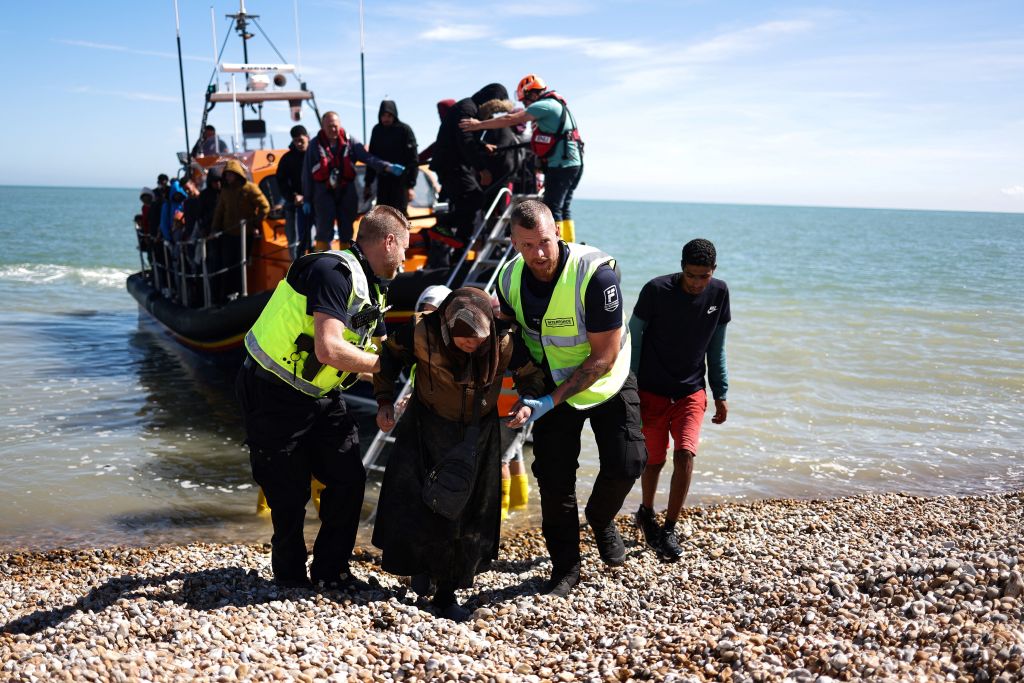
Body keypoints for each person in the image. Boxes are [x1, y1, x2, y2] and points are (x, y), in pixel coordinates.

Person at [237, 205, 410, 589]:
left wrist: (386, 399)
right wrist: (384, 365)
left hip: (322, 395)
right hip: (271, 391)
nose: (406, 258)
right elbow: (329, 350)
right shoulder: (332, 272)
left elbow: (381, 350)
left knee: (349, 478)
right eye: (404, 249)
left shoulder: (374, 287)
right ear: (389, 241)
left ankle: (333, 571)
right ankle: (290, 577)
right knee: (287, 494)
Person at [499, 200, 646, 597]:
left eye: (545, 242)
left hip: (606, 380)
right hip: (549, 384)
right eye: (527, 245)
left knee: (629, 462)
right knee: (554, 479)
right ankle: (566, 568)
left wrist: (551, 400)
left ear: (558, 233)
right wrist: (527, 388)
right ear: (513, 242)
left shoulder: (595, 276)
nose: (539, 254)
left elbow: (604, 356)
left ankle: (600, 518)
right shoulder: (508, 279)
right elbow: (510, 338)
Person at [371, 287, 544, 620]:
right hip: (425, 426)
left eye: (478, 341)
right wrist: (383, 401)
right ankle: (419, 567)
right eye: (463, 340)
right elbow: (388, 358)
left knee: (464, 513)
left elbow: (530, 377)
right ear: (447, 328)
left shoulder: (504, 341)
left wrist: (526, 403)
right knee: (416, 504)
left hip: (477, 433)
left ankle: (447, 592)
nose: (471, 346)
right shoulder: (422, 331)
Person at [631, 239, 730, 561]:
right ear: (681, 267)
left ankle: (670, 527)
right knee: (654, 460)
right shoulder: (655, 291)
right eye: (691, 275)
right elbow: (633, 338)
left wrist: (721, 392)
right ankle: (646, 512)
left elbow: (716, 349)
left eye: (703, 276)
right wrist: (628, 386)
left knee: (686, 454)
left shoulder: (719, 293)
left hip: (691, 391)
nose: (697, 283)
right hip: (651, 391)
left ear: (713, 272)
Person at [460, 74, 583, 242]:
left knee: (553, 207)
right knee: (564, 207)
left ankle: (559, 247)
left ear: (532, 94)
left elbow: (511, 119)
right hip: (573, 163)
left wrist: (478, 125)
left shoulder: (544, 105)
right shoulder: (557, 105)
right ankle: (569, 244)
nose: (525, 106)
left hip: (561, 164)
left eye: (525, 101)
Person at [428, 84, 509, 261]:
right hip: (451, 165)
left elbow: (464, 138)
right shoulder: (467, 109)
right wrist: (482, 169)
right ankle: (443, 226)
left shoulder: (467, 107)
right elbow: (465, 141)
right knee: (475, 198)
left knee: (468, 203)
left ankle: (460, 243)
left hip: (452, 164)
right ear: (490, 102)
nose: (493, 116)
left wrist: (482, 145)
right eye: (494, 111)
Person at [302, 111, 403, 252]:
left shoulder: (350, 141)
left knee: (347, 230)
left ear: (340, 125)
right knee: (323, 231)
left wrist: (387, 166)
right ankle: (322, 262)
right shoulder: (314, 145)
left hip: (346, 190)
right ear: (323, 126)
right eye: (330, 126)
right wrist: (307, 199)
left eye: (335, 126)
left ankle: (346, 262)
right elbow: (307, 173)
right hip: (323, 191)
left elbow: (368, 158)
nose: (333, 129)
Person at [211, 159, 270, 300]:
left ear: (237, 174)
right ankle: (228, 295)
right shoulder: (225, 192)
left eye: (231, 174)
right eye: (226, 175)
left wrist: (254, 224)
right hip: (228, 234)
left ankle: (241, 293)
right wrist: (214, 229)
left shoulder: (250, 188)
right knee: (228, 265)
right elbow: (219, 212)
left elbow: (265, 207)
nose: (228, 177)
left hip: (245, 234)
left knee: (241, 264)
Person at [364, 100, 419, 215]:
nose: (386, 119)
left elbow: (413, 160)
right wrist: (368, 183)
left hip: (401, 183)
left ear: (394, 115)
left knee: (399, 217)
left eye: (389, 115)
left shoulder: (404, 130)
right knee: (383, 217)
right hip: (383, 182)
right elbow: (372, 158)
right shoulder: (377, 130)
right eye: (383, 115)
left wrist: (411, 186)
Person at [277, 125, 311, 260]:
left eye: (301, 140)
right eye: (296, 141)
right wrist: (293, 196)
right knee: (294, 241)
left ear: (307, 138)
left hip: (314, 204)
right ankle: (297, 268)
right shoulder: (287, 159)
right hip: (294, 205)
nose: (299, 144)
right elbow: (281, 182)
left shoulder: (316, 155)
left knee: (314, 240)